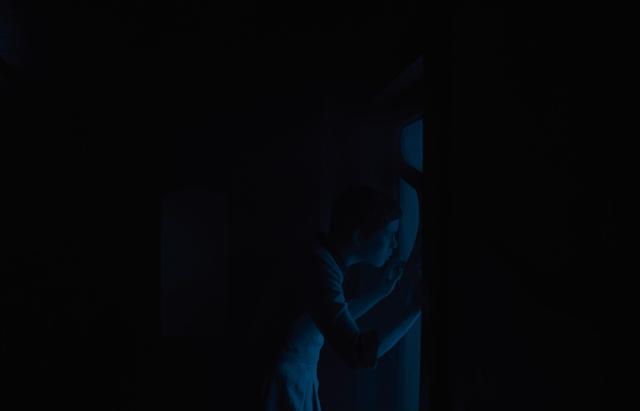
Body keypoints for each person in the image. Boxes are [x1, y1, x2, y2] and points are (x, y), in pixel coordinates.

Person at [251, 185, 423, 411]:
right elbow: (358, 353)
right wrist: (415, 308)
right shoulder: (320, 271)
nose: (394, 244)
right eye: (389, 235)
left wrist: (379, 292)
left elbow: (325, 318)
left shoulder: (321, 260)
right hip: (283, 386)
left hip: (291, 380)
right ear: (358, 236)